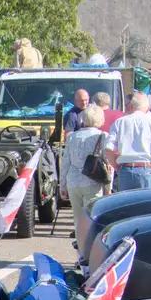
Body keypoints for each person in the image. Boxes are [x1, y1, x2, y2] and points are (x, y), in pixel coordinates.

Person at [61, 106, 110, 255]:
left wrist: (62, 185)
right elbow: (107, 164)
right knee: (94, 218)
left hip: (73, 181)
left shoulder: (72, 137)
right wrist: (108, 185)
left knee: (78, 219)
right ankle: (92, 253)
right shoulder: (103, 136)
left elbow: (65, 162)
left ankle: (80, 254)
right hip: (93, 180)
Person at [105, 91, 151, 191]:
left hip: (125, 171)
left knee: (126, 206)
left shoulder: (120, 122)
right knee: (148, 206)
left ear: (131, 106)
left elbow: (108, 149)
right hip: (147, 170)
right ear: (148, 108)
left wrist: (116, 166)